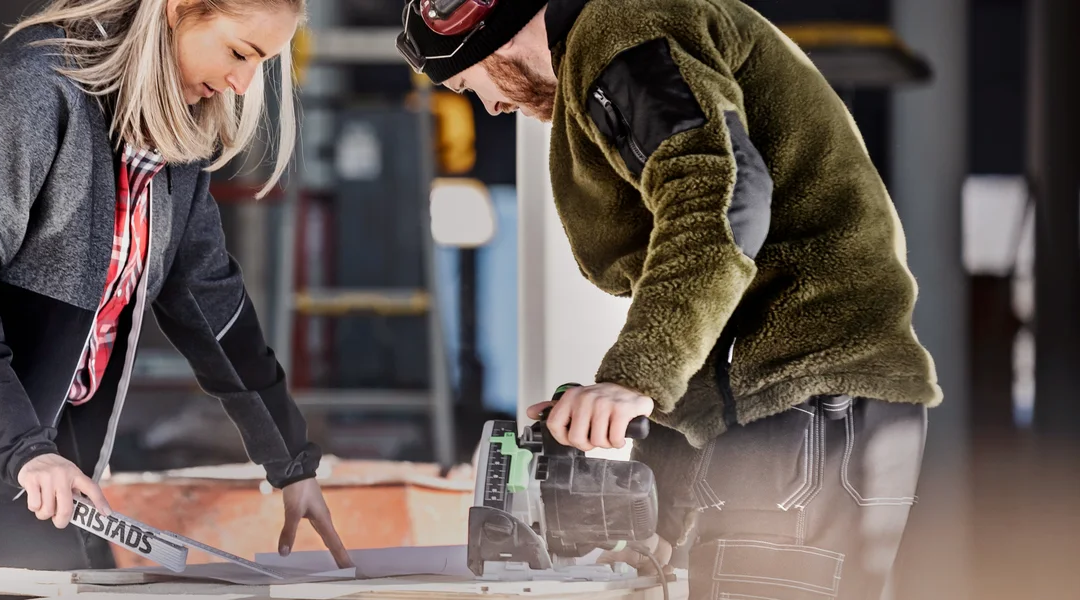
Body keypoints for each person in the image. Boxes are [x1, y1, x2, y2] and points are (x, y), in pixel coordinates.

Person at [397, 0, 940, 598]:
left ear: (487, 27)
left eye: (468, 83)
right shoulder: (612, 43)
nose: (493, 106)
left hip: (800, 402)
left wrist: (635, 376)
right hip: (792, 408)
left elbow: (721, 199)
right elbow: (721, 305)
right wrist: (664, 508)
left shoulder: (621, 27)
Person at [0, 1, 352, 598]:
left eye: (261, 64)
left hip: (32, 469)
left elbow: (210, 303)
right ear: (179, 9)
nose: (242, 83)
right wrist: (24, 449)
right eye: (238, 53)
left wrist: (290, 463)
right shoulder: (27, 91)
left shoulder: (172, 138)